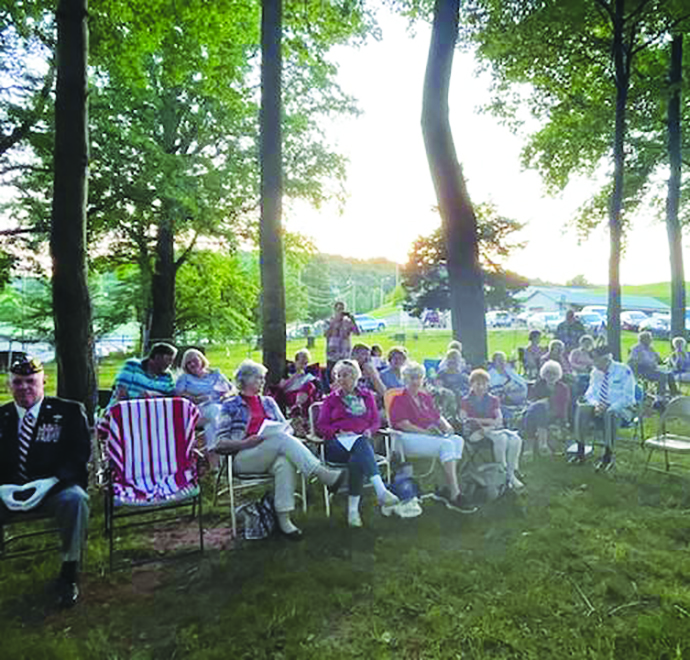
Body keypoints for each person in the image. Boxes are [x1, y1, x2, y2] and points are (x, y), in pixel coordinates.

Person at [215, 360, 345, 540]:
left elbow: (285, 429)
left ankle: (284, 521)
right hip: (242, 457)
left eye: (263, 378)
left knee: (284, 462)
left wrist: (284, 430)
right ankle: (321, 473)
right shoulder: (229, 406)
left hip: (271, 452)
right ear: (243, 380)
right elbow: (220, 443)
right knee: (281, 440)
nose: (262, 382)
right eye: (257, 378)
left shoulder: (268, 402)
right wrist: (245, 443)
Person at [0, 357, 90, 607]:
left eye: (31, 381)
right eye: (18, 382)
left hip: (53, 488)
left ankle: (69, 573)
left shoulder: (68, 412)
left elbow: (79, 455)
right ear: (9, 386)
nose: (24, 387)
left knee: (76, 500)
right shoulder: (2, 416)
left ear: (44, 382)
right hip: (8, 489)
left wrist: (51, 481)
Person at [316, 359, 399, 527]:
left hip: (361, 445)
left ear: (355, 376)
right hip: (336, 445)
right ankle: (381, 490)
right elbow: (321, 426)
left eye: (346, 375)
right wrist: (338, 432)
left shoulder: (367, 396)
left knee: (356, 460)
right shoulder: (331, 400)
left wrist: (370, 430)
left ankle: (352, 512)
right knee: (360, 445)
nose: (341, 379)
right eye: (338, 375)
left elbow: (375, 421)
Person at [389, 362, 466, 507]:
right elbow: (403, 424)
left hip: (427, 436)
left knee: (457, 440)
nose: (416, 381)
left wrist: (447, 427)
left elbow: (437, 416)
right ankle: (455, 494)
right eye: (412, 378)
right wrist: (426, 432)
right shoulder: (399, 399)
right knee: (447, 444)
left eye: (418, 378)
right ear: (405, 379)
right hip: (406, 439)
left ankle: (443, 487)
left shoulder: (425, 398)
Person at [573, 345, 636, 470]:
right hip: (599, 406)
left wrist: (610, 406)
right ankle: (580, 451)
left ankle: (608, 455)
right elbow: (590, 393)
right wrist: (596, 404)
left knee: (610, 414)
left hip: (621, 408)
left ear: (606, 359)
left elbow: (628, 397)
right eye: (594, 361)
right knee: (582, 409)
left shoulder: (623, 370)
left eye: (597, 361)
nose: (594, 364)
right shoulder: (596, 372)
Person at [460, 369, 524, 490]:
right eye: (477, 383)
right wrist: (486, 422)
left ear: (488, 385)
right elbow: (465, 419)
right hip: (475, 432)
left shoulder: (493, 399)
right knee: (502, 439)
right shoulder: (466, 400)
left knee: (515, 439)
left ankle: (510, 473)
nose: (481, 386)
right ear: (471, 384)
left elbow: (499, 419)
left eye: (484, 384)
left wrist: (487, 424)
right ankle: (505, 474)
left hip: (492, 430)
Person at [175, 348, 234, 451]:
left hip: (220, 406)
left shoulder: (215, 374)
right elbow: (178, 394)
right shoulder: (185, 378)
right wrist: (195, 398)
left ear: (201, 359)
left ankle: (214, 459)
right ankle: (224, 440)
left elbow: (231, 389)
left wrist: (227, 396)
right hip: (199, 409)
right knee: (214, 410)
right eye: (188, 363)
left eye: (195, 360)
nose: (192, 364)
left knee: (210, 425)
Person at [522, 360, 571, 456]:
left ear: (558, 375)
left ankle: (529, 447)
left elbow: (563, 406)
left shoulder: (563, 388)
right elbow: (531, 400)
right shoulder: (538, 385)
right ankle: (542, 444)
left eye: (553, 374)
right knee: (539, 408)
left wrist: (565, 421)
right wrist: (542, 403)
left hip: (555, 413)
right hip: (537, 413)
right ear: (544, 374)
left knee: (535, 410)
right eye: (548, 373)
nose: (551, 376)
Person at [109, 342, 177, 406]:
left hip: (150, 414)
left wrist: (154, 394)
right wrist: (138, 399)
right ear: (157, 357)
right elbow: (121, 392)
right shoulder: (132, 366)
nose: (170, 364)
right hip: (125, 410)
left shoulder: (167, 377)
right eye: (169, 359)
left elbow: (170, 398)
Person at [278, 348, 322, 437]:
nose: (304, 366)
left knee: (309, 386)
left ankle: (297, 408)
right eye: (301, 363)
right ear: (296, 361)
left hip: (305, 394)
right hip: (291, 392)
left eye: (306, 363)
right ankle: (304, 426)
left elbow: (318, 386)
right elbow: (281, 386)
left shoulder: (309, 371)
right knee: (307, 399)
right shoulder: (289, 370)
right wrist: (295, 376)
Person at [628, 330, 678, 398]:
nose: (651, 340)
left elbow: (659, 360)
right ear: (643, 339)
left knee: (670, 374)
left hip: (653, 368)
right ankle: (660, 396)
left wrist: (662, 359)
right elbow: (632, 361)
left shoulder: (650, 348)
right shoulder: (636, 349)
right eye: (649, 338)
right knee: (662, 376)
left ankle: (674, 395)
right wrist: (643, 363)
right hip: (643, 370)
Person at [324, 301, 360, 389]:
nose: (341, 311)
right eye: (339, 309)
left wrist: (353, 320)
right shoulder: (328, 321)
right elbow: (326, 334)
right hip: (332, 355)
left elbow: (357, 333)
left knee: (345, 376)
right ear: (335, 310)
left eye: (342, 309)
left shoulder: (348, 321)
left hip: (345, 354)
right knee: (332, 377)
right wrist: (334, 322)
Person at [569, 334, 595, 399]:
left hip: (591, 373)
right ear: (581, 343)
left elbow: (596, 363)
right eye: (585, 343)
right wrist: (582, 368)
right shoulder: (575, 352)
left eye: (589, 343)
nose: (587, 345)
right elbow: (571, 363)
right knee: (582, 382)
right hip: (577, 372)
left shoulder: (593, 353)